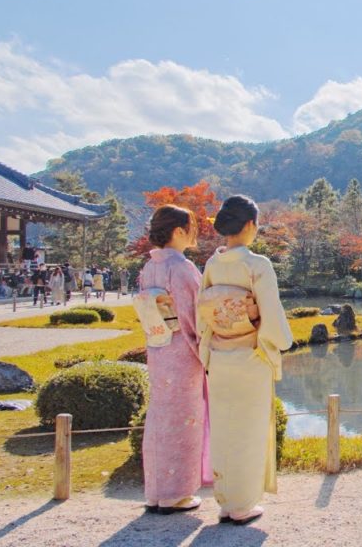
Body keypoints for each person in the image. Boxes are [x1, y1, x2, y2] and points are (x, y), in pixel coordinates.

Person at [198, 195, 292, 525]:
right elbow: (271, 314)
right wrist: (282, 342)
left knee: (224, 428)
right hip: (251, 357)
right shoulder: (257, 265)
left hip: (220, 358)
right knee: (248, 432)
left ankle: (226, 499)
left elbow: (203, 314)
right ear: (250, 225)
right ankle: (242, 504)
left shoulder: (212, 264)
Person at [137, 205, 211, 514]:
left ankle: (155, 492)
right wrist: (206, 353)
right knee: (183, 420)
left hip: (158, 347)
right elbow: (193, 316)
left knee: (160, 417)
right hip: (182, 352)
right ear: (178, 232)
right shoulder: (181, 268)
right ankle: (175, 493)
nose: (195, 233)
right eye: (192, 227)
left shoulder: (149, 268)